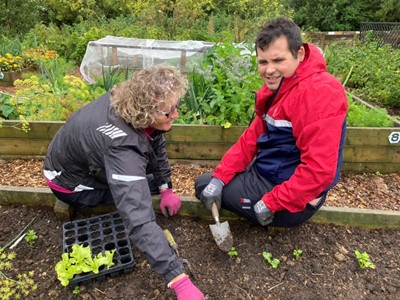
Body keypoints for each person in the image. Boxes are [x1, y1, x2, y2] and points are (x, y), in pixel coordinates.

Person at [44, 65, 204, 299]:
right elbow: (137, 218)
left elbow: (154, 141)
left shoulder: (126, 100)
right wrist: (178, 279)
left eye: (175, 107)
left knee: (145, 183)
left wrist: (165, 187)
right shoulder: (122, 147)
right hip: (70, 184)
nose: (176, 115)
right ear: (147, 113)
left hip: (82, 160)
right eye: (168, 112)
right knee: (134, 200)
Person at [195, 17, 348, 228]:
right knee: (213, 183)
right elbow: (251, 137)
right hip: (275, 171)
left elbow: (320, 172)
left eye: (278, 61)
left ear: (300, 54)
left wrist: (271, 202)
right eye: (263, 62)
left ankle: (275, 214)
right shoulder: (283, 85)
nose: (269, 70)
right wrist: (220, 177)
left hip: (295, 200)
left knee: (202, 185)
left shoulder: (318, 93)